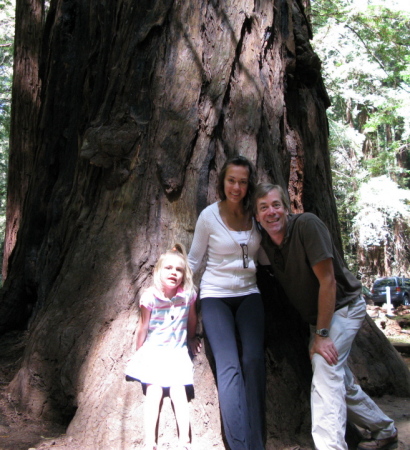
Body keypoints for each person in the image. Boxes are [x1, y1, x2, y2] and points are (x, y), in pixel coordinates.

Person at [253, 182, 398, 450]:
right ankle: (383, 428)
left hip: (343, 308)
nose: (271, 212)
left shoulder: (307, 226)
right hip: (318, 318)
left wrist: (320, 336)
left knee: (324, 365)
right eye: (263, 208)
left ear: (286, 208)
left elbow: (328, 282)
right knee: (337, 375)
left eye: (276, 205)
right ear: (257, 215)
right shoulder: (264, 243)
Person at [188, 155, 265, 450]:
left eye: (243, 182)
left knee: (253, 361)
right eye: (231, 180)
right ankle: (239, 445)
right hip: (215, 296)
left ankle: (257, 443)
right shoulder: (209, 216)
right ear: (222, 182)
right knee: (229, 365)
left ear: (249, 185)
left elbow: (267, 255)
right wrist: (170, 284)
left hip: (249, 295)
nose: (236, 187)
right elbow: (194, 259)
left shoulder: (255, 214)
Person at [125, 244, 201, 450]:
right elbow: (143, 326)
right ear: (158, 271)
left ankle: (184, 441)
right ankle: (150, 441)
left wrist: (192, 338)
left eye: (178, 270)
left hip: (177, 353)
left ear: (184, 275)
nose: (173, 273)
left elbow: (192, 318)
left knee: (179, 392)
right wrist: (139, 351)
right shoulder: (150, 297)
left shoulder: (188, 295)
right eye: (168, 268)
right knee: (154, 392)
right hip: (154, 352)